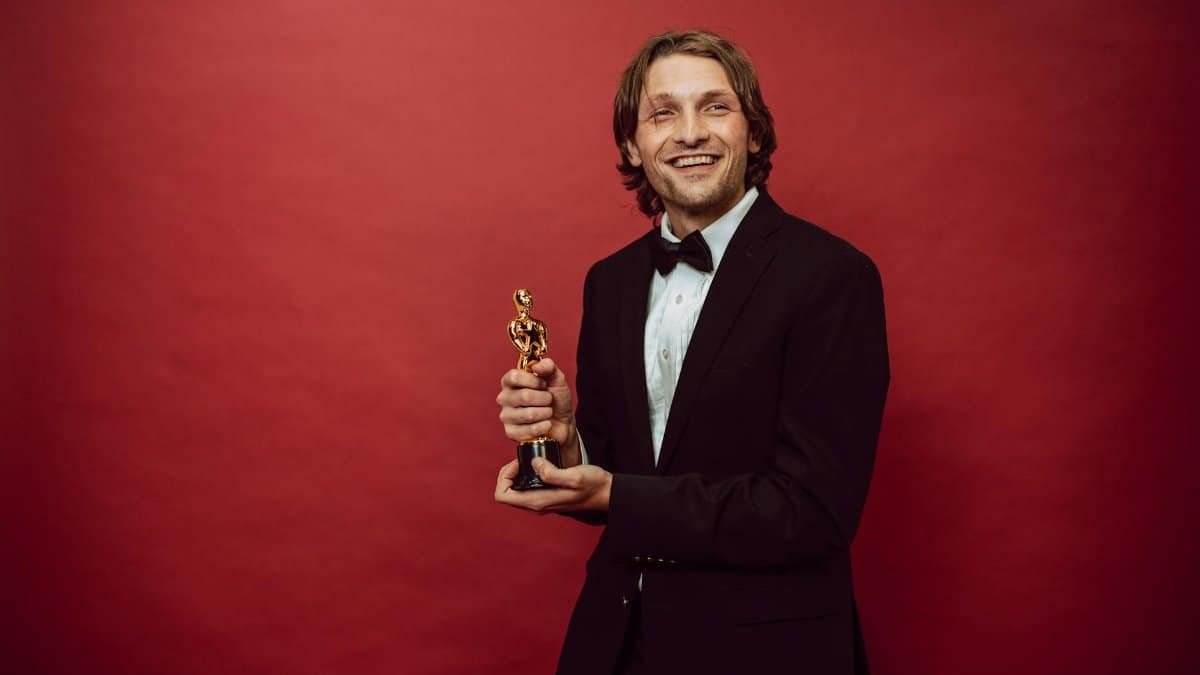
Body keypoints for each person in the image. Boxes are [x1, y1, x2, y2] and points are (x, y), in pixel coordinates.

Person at [494, 29, 889, 675]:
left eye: (715, 107)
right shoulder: (611, 280)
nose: (689, 133)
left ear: (754, 132)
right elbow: (621, 472)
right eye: (662, 113)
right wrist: (567, 444)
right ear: (633, 143)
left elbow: (812, 512)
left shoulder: (833, 275)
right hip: (615, 640)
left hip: (768, 651)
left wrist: (614, 494)